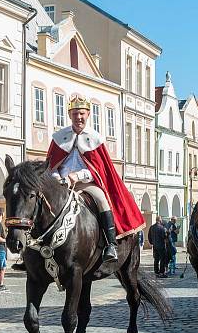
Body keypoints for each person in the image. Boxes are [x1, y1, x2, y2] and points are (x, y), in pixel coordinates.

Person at [46, 95, 145, 264]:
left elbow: (100, 170)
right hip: (61, 186)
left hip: (86, 184)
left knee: (101, 201)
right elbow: (49, 167)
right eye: (75, 113)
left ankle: (111, 245)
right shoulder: (59, 137)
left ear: (88, 115)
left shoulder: (95, 138)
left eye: (82, 114)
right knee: (38, 203)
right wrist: (58, 178)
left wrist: (78, 176)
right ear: (70, 115)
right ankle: (31, 249)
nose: (79, 117)